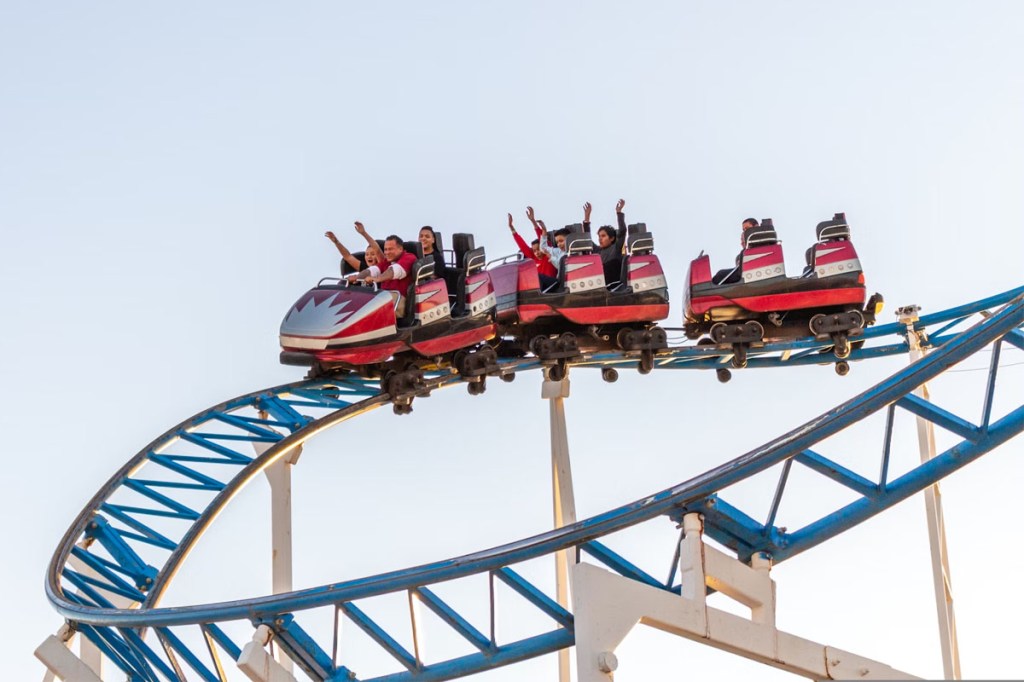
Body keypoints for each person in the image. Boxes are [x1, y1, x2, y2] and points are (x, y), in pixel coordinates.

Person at [346, 222, 418, 317]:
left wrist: (377, 279)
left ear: (400, 249)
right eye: (386, 249)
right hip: (382, 297)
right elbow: (372, 270)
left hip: (399, 298)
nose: (387, 252)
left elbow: (394, 271)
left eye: (390, 249)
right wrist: (357, 278)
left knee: (369, 310)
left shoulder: (409, 257)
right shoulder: (386, 261)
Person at [582, 199, 628, 285]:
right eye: (599, 236)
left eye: (603, 236)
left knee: (611, 264)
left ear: (611, 238)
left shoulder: (616, 247)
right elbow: (587, 240)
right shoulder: (597, 251)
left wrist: (619, 213)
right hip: (600, 282)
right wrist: (587, 218)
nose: (600, 239)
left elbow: (622, 231)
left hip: (615, 283)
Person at [508, 213, 557, 287]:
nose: (536, 252)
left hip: (552, 283)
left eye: (538, 249)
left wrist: (533, 221)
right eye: (534, 251)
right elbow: (522, 245)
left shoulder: (548, 253)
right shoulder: (533, 259)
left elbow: (542, 237)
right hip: (540, 286)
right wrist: (511, 227)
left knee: (538, 277)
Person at [714, 218, 760, 285]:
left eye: (747, 229)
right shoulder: (742, 253)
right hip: (744, 271)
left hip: (748, 272)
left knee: (720, 274)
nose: (745, 232)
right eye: (743, 230)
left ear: (756, 227)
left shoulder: (760, 240)